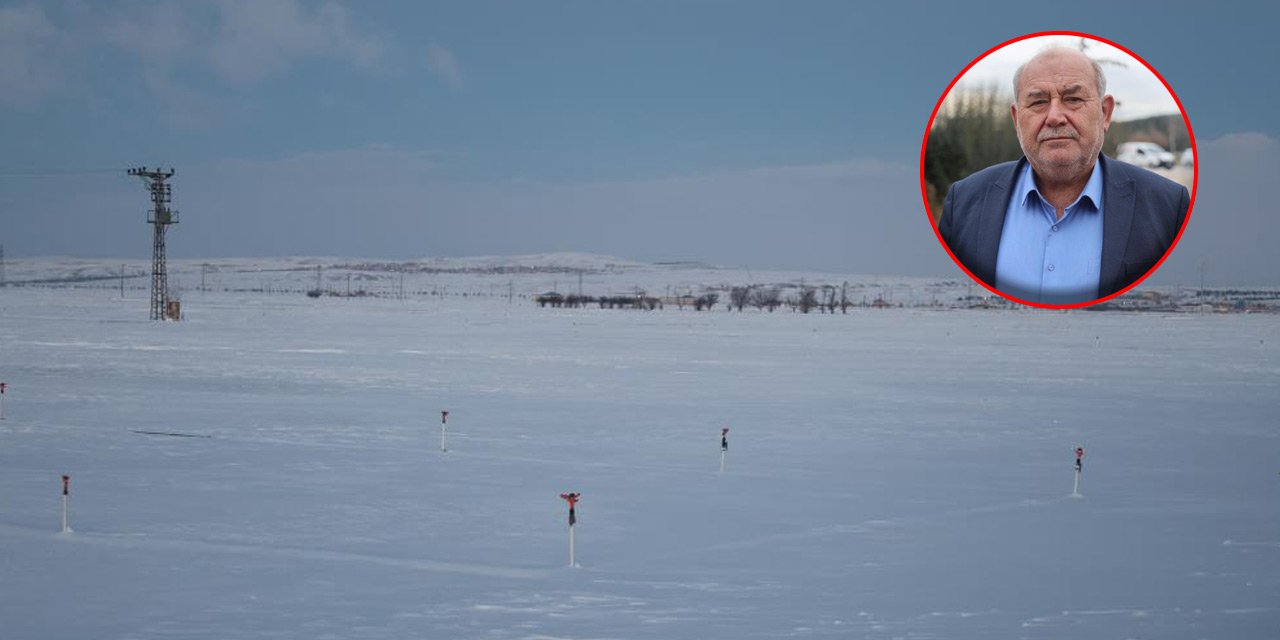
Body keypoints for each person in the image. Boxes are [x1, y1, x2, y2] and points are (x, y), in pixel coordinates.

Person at [938, 46, 1189, 305]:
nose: (1055, 117)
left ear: (1105, 113)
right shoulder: (964, 203)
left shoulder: (1167, 208)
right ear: (1016, 119)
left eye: (1073, 99)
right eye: (1038, 102)